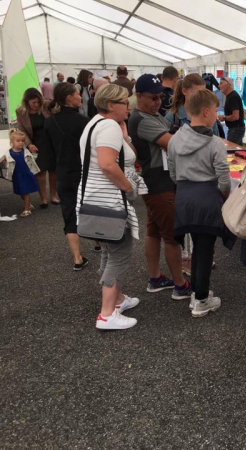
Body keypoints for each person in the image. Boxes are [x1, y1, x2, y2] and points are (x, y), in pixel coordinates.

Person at [77, 84, 140, 330]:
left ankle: (117, 300)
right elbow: (107, 164)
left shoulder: (95, 123)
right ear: (111, 105)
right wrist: (128, 188)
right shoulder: (109, 126)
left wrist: (125, 139)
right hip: (108, 200)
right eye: (125, 102)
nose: (129, 106)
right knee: (119, 254)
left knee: (108, 250)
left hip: (94, 199)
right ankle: (106, 313)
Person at [168, 89, 234, 318]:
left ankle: (197, 292)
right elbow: (224, 178)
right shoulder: (215, 143)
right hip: (207, 197)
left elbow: (173, 174)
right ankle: (202, 300)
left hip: (184, 197)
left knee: (196, 246)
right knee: (205, 249)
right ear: (206, 111)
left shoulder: (175, 138)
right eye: (216, 110)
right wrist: (225, 196)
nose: (217, 115)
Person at [128, 74, 192, 299]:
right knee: (172, 236)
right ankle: (180, 285)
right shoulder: (141, 119)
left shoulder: (151, 115)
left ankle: (156, 278)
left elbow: (173, 133)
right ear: (138, 97)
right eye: (153, 97)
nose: (158, 101)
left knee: (154, 230)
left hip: (157, 181)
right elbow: (174, 142)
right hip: (158, 182)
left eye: (160, 96)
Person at [44, 82, 92, 270]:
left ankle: (77, 258)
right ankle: (97, 244)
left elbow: (50, 150)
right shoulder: (85, 122)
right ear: (69, 98)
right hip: (84, 172)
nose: (81, 97)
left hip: (63, 173)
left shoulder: (50, 121)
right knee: (91, 208)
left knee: (69, 213)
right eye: (77, 94)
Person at [16, 87, 56, 207]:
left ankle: (54, 196)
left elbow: (57, 109)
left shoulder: (46, 105)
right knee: (40, 173)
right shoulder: (20, 112)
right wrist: (29, 144)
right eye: (33, 102)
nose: (36, 104)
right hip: (36, 144)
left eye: (38, 102)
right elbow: (22, 130)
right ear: (27, 101)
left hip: (51, 141)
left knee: (54, 172)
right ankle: (43, 198)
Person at [1, 130, 40, 218]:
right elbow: (5, 165)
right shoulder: (8, 154)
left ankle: (27, 209)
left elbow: (33, 159)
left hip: (26, 174)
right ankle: (28, 204)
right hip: (17, 176)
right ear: (11, 142)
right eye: (18, 141)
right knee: (21, 192)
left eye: (22, 141)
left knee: (25, 192)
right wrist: (3, 164)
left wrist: (34, 153)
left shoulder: (25, 151)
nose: (21, 143)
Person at [217, 76, 245, 145]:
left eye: (221, 83)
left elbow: (235, 117)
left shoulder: (233, 97)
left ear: (228, 85)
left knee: (231, 150)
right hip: (236, 128)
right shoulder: (230, 96)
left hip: (235, 129)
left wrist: (223, 117)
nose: (219, 85)